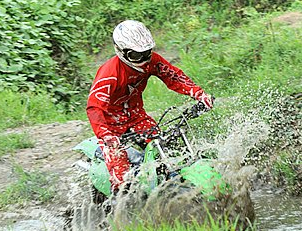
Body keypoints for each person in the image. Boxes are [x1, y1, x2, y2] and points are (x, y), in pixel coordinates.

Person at [86, 20, 214, 193]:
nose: (145, 60)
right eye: (137, 56)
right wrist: (106, 135)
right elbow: (94, 107)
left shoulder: (152, 61)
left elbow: (173, 76)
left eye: (147, 53)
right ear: (121, 51)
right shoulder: (110, 73)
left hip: (137, 117)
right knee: (122, 180)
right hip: (110, 126)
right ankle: (119, 212)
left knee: (166, 150)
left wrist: (199, 94)